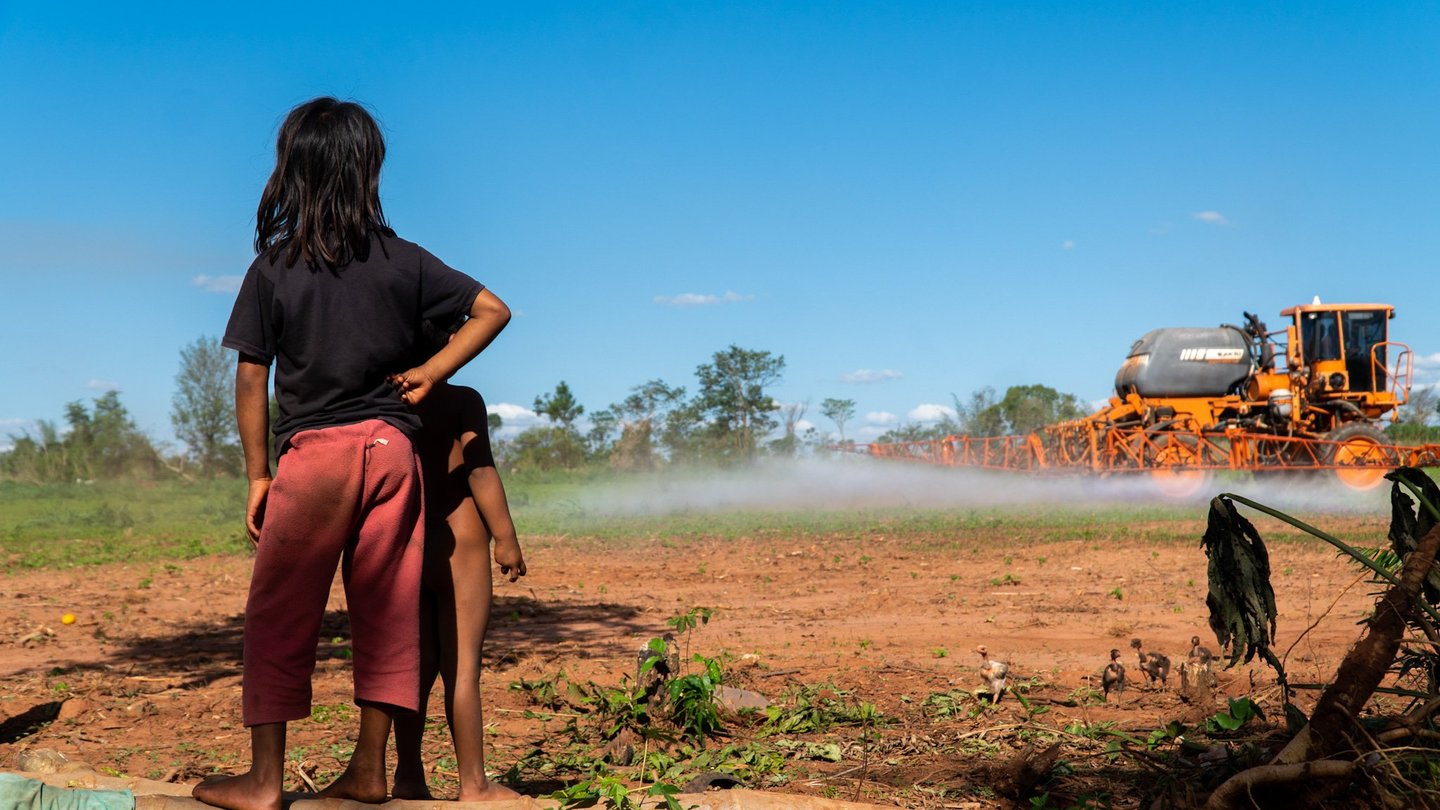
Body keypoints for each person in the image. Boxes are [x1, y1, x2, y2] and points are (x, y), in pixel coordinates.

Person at [195, 97, 510, 810]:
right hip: (391, 453)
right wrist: (433, 373)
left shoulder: (274, 267)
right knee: (389, 612)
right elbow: (494, 308)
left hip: (314, 457)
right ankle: (369, 770)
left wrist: (257, 474)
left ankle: (265, 779)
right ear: (369, 168)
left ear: (291, 171)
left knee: (280, 612)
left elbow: (252, 374)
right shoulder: (407, 262)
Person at [391, 318, 527, 802]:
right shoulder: (461, 399)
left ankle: (408, 777)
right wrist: (505, 538)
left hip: (405, 541)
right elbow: (480, 469)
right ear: (448, 345)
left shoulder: (388, 398)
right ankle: (474, 785)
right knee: (462, 668)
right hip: (462, 547)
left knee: (415, 669)